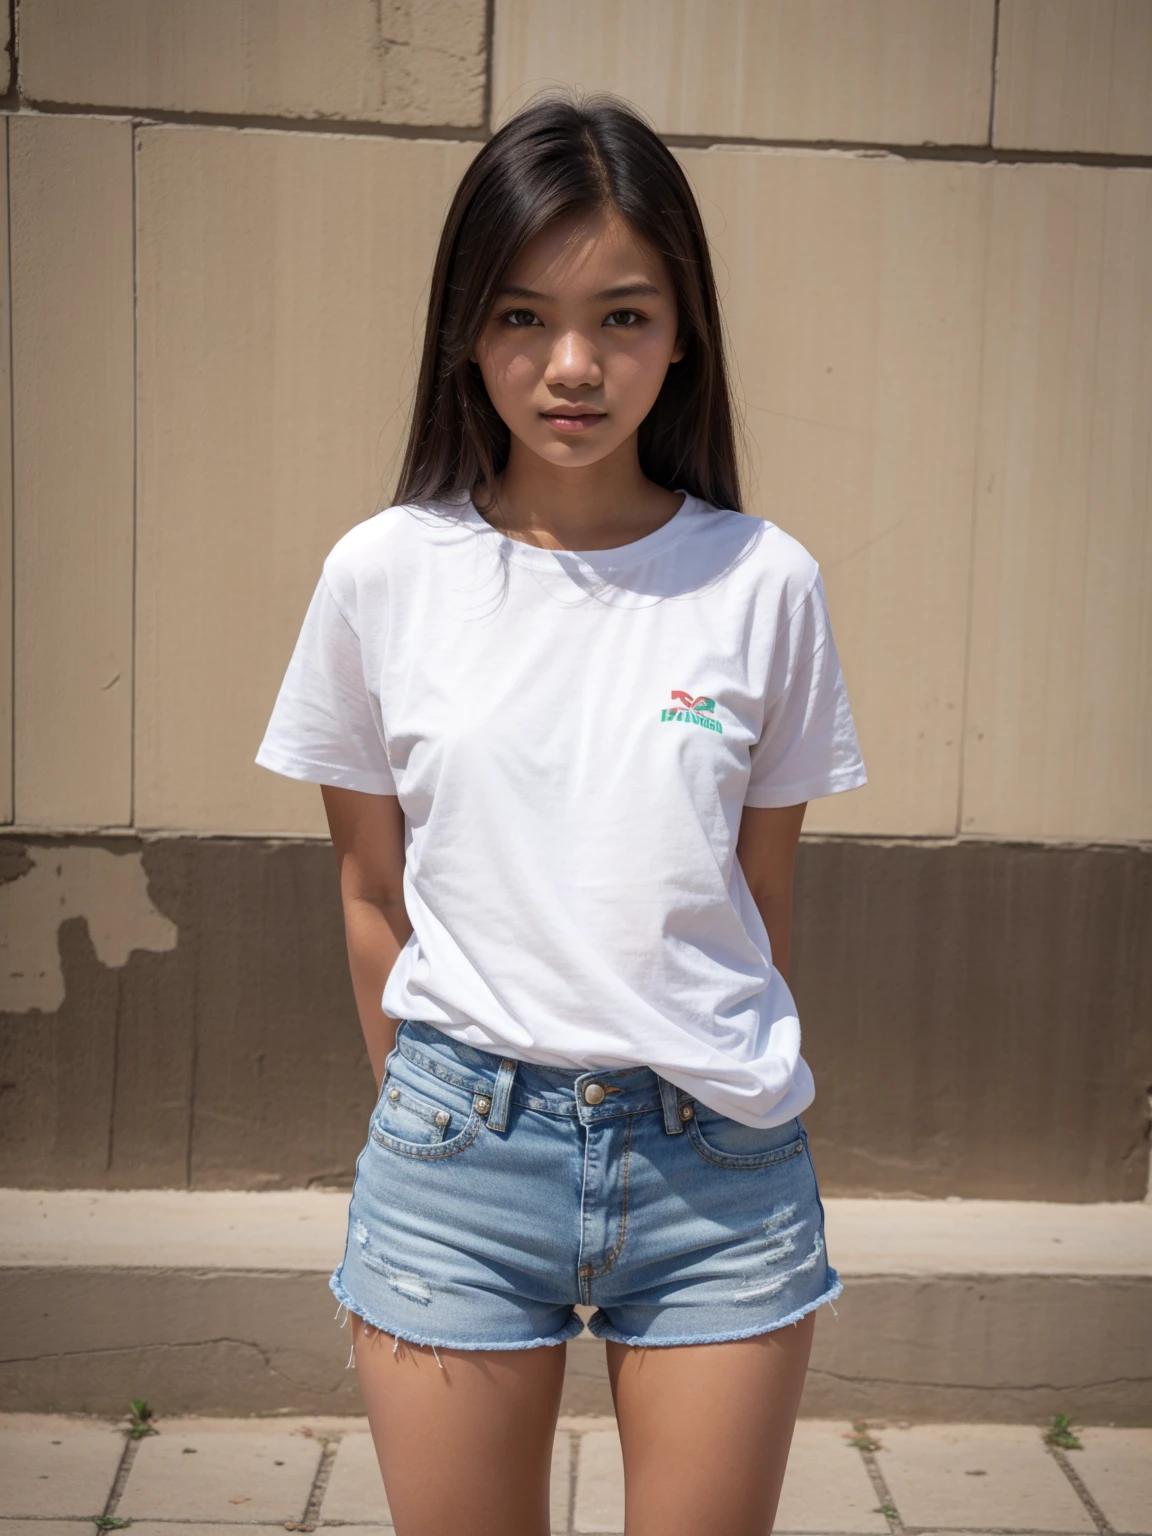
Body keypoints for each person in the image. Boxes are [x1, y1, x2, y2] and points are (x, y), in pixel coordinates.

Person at [256, 89, 867, 1536]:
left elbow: (760, 897)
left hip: (718, 1165)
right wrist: (440, 1108)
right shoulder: (383, 573)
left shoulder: (764, 582)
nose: (572, 366)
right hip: (459, 1157)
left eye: (625, 317)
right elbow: (368, 891)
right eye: (524, 315)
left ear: (684, 335)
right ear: (466, 329)